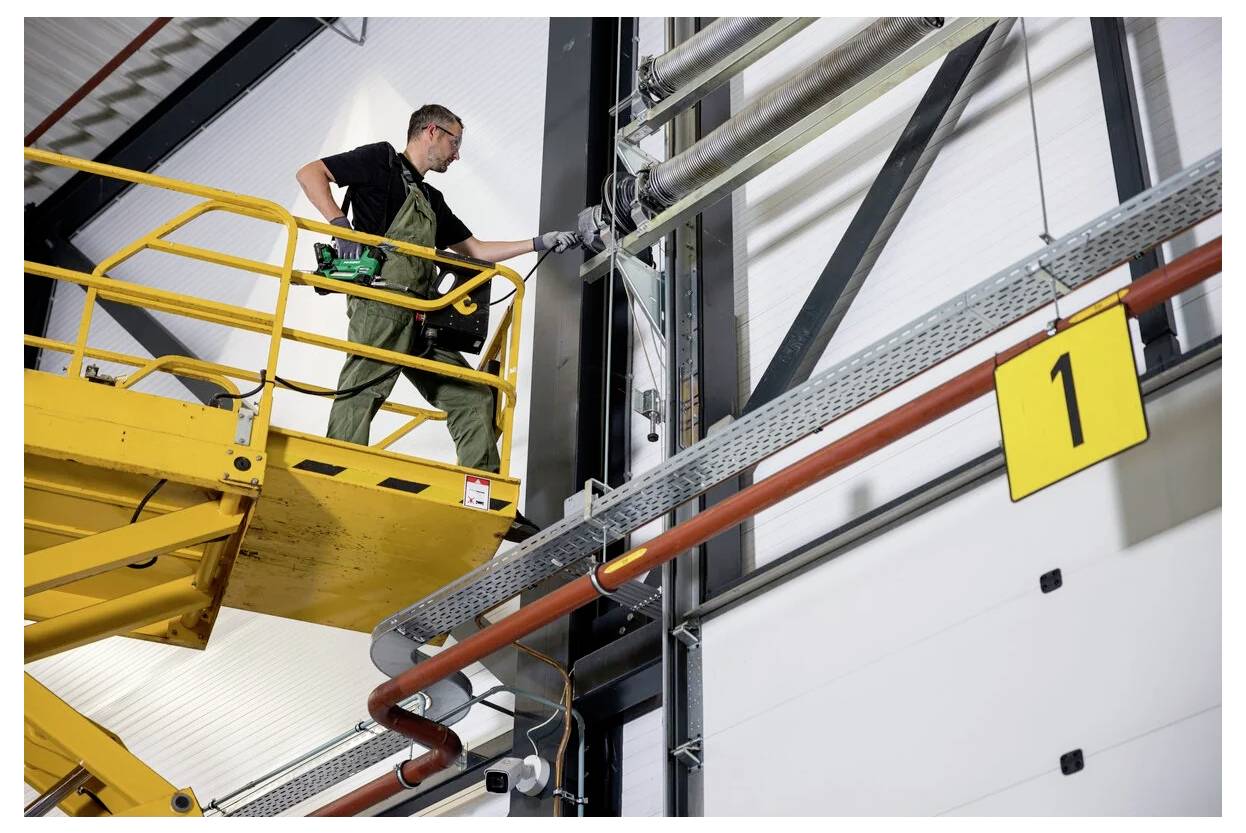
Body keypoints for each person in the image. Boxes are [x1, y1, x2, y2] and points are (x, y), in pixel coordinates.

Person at [296, 104, 578, 541]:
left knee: (474, 395)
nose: (457, 154)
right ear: (431, 131)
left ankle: (481, 498)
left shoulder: (431, 200)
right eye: (455, 142)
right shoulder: (379, 161)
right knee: (365, 383)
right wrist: (341, 226)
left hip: (422, 315)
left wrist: (539, 242)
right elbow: (310, 173)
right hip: (382, 301)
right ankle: (335, 475)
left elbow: (477, 251)